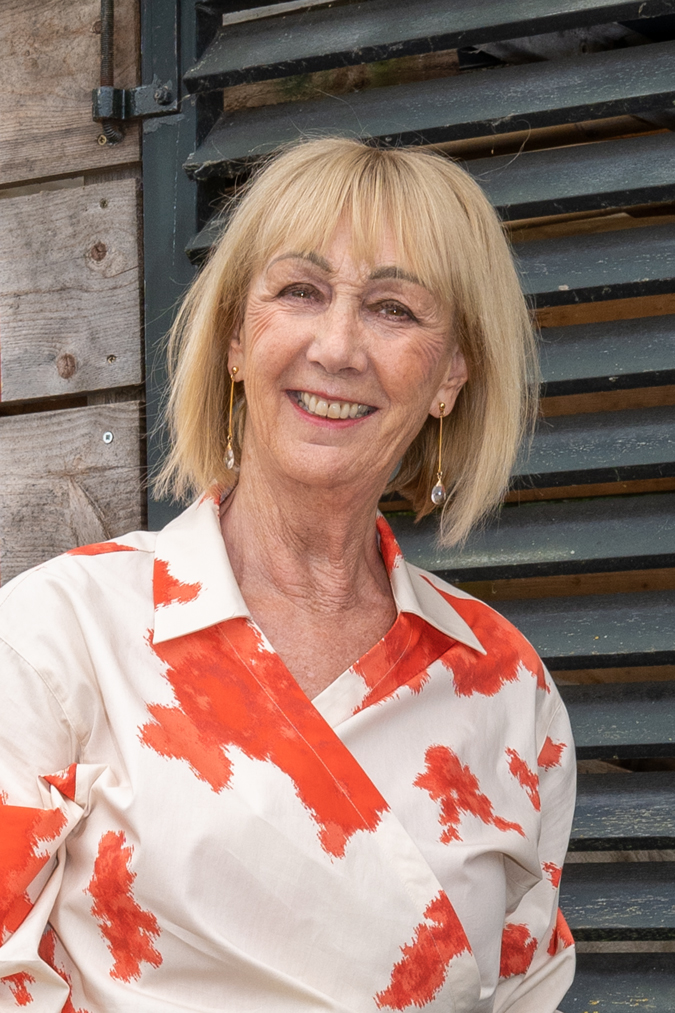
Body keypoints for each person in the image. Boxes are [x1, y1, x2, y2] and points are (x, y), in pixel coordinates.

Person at [0, 138, 576, 1013]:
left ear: (451, 374)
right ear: (237, 339)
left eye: (392, 309)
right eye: (300, 292)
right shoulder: (60, 633)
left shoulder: (506, 686)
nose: (337, 346)